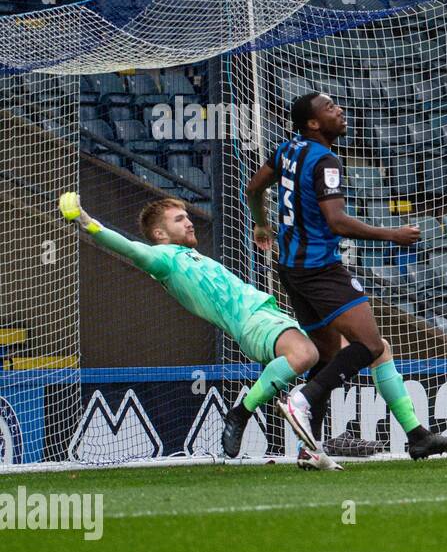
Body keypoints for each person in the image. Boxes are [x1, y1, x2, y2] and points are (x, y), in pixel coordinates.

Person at [246, 92, 447, 462]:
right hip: (320, 268)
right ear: (313, 123)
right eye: (330, 108)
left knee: (328, 355)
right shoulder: (325, 160)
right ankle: (303, 398)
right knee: (370, 345)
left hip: (291, 270)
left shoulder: (286, 150)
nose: (340, 110)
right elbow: (337, 221)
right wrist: (391, 234)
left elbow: (253, 188)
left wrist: (262, 224)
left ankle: (309, 449)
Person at [57, 193, 337, 469]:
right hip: (253, 323)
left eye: (188, 217)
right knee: (304, 354)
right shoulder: (163, 258)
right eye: (179, 220)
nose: (189, 222)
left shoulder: (189, 255)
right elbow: (131, 249)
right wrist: (87, 222)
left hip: (272, 314)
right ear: (160, 233)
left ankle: (310, 446)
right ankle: (241, 412)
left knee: (358, 349)